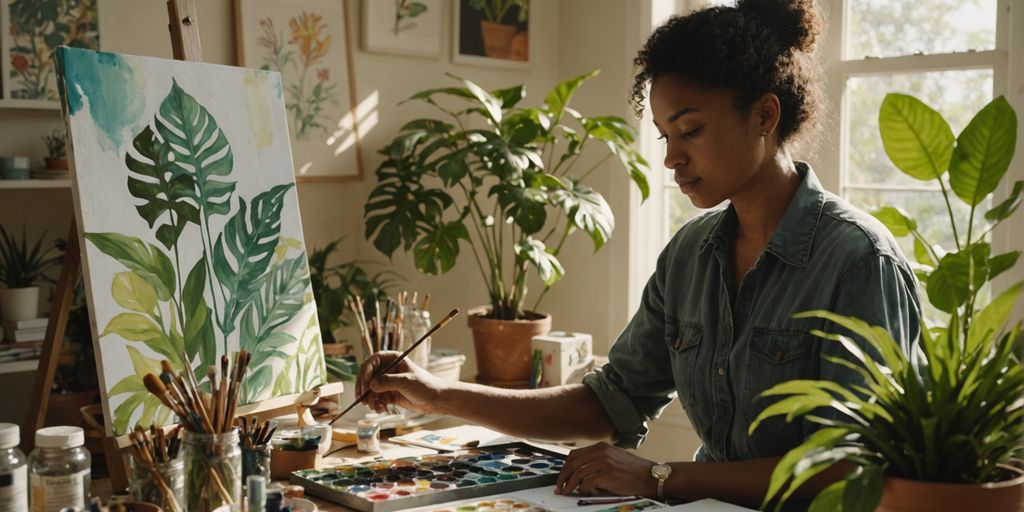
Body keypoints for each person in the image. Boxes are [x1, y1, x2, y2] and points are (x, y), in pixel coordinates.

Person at [356, 0, 921, 508]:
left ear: (765, 116)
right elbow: (609, 402)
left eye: (691, 130)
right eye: (664, 136)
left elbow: (850, 467)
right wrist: (433, 393)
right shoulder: (690, 255)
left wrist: (661, 477)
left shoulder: (858, 262)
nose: (672, 158)